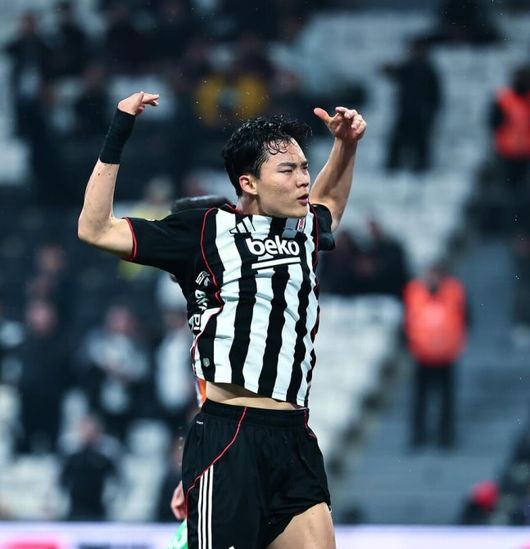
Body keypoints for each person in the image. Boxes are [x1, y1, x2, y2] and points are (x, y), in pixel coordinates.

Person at [78, 90, 366, 548]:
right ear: (249, 182)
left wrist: (346, 146)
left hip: (295, 438)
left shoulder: (305, 227)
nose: (303, 180)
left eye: (304, 168)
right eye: (287, 170)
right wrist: (119, 130)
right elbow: (95, 229)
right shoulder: (204, 229)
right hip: (230, 436)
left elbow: (328, 198)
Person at [404, 263, 468, 449]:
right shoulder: (414, 291)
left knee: (446, 399)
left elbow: (465, 318)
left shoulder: (454, 291)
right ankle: (418, 435)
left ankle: (446, 436)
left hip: (446, 355)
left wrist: (455, 343)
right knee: (420, 398)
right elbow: (408, 320)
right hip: (422, 354)